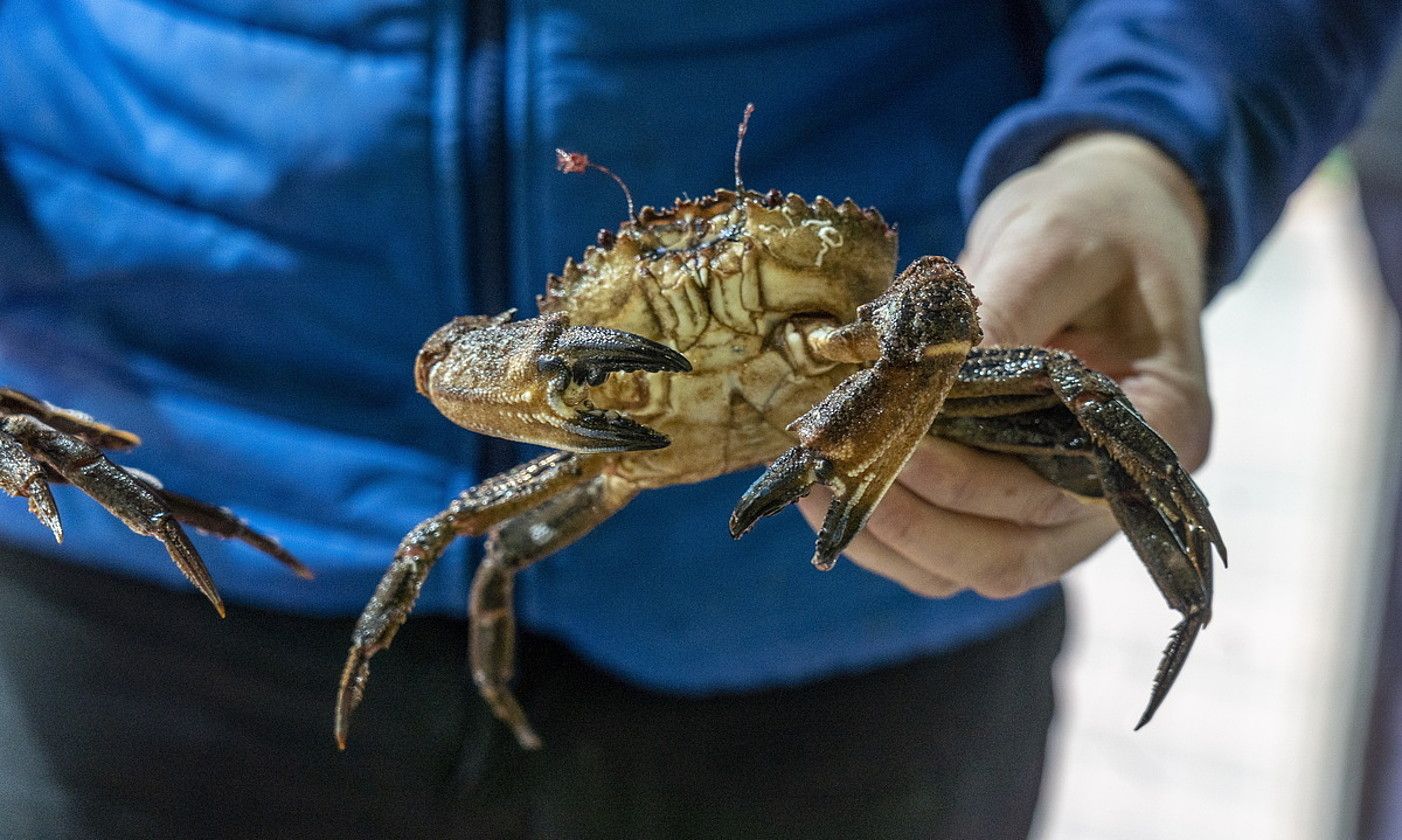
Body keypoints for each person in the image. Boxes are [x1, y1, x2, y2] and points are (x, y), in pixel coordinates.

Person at [0, 1, 1396, 838]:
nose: (701, 288)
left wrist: (1146, 136)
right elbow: (459, 377)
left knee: (1080, 407)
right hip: (150, 525)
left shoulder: (886, 311)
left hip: (865, 632)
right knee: (457, 538)